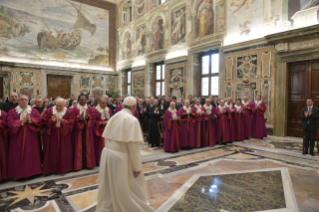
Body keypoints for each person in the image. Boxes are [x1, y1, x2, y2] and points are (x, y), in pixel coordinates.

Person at [97, 96, 154, 212]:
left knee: (110, 186)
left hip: (107, 155)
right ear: (134, 107)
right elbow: (133, 148)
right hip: (120, 157)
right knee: (128, 188)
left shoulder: (115, 116)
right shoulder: (132, 120)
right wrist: (137, 167)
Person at [7, 95, 42, 179]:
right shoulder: (12, 112)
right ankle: (17, 173)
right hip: (17, 137)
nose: (24, 101)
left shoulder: (33, 111)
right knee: (17, 153)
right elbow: (10, 124)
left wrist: (30, 120)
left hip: (31, 137)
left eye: (25, 99)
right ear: (18, 101)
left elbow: (39, 121)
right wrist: (22, 122)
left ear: (28, 101)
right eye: (22, 100)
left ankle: (32, 172)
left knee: (31, 154)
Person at [42, 98, 75, 174]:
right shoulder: (49, 111)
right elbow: (44, 121)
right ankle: (51, 169)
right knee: (52, 151)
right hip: (52, 134)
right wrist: (51, 121)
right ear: (55, 104)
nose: (59, 107)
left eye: (61, 106)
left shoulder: (69, 112)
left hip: (63, 134)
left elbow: (71, 122)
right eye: (57, 105)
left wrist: (64, 121)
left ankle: (64, 167)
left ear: (64, 105)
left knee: (64, 151)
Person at [72, 95, 101, 170]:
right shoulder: (74, 109)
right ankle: (79, 165)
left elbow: (93, 117)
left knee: (88, 146)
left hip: (88, 130)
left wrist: (88, 117)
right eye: (81, 100)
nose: (83, 101)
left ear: (86, 100)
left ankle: (88, 164)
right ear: (78, 101)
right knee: (78, 147)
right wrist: (80, 118)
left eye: (84, 100)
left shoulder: (90, 108)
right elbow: (72, 119)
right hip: (78, 131)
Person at [94, 97, 113, 165]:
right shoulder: (95, 110)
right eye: (103, 103)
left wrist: (109, 121)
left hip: (107, 131)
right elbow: (94, 121)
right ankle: (100, 161)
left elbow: (111, 118)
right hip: (99, 131)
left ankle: (108, 160)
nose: (105, 105)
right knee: (99, 147)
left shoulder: (109, 109)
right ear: (99, 103)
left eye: (106, 103)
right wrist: (102, 123)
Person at [0, 109, 8, 181]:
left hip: (1, 138)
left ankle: (3, 176)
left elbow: (6, 125)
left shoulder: (3, 114)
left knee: (2, 155)